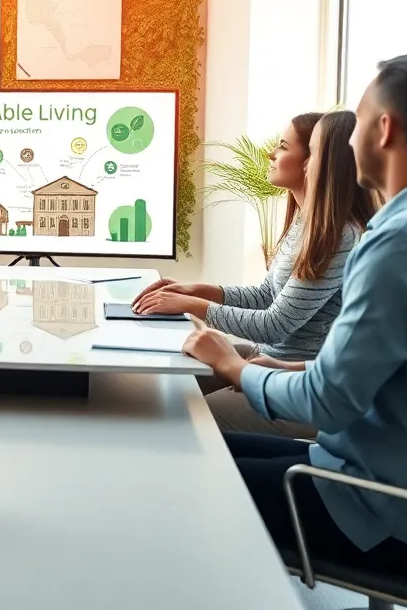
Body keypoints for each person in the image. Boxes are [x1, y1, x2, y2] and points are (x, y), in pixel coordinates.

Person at [183, 53, 407, 581]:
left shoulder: (403, 242)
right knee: (192, 444)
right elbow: (399, 373)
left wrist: (234, 367)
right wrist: (281, 368)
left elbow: (327, 402)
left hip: (389, 513)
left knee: (176, 472)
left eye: (358, 122)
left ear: (385, 128)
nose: (348, 140)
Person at [133, 111, 379, 438]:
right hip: (273, 358)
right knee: (164, 382)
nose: (270, 154)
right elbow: (266, 296)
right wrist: (196, 290)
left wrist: (191, 306)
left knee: (185, 416)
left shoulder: (340, 237)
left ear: (317, 161)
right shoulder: (305, 222)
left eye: (284, 147)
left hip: (300, 381)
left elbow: (275, 326)